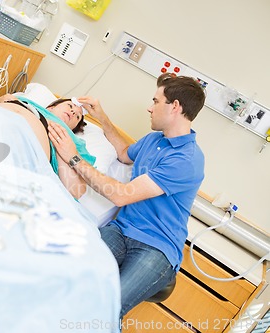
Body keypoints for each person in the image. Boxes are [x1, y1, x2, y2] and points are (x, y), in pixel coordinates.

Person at [47, 73, 206, 318]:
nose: (149, 108)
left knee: (106, 310)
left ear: (174, 107)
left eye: (155, 101)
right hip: (120, 230)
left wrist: (73, 158)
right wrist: (101, 116)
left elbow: (120, 195)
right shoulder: (154, 140)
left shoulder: (186, 160)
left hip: (156, 247)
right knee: (68, 281)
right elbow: (123, 153)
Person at [0, 94, 94, 198]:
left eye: (77, 116)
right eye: (70, 106)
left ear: (72, 129)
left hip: (20, 157)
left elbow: (76, 191)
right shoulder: (25, 102)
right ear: (51, 107)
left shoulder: (73, 142)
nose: (73, 111)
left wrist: (61, 146)